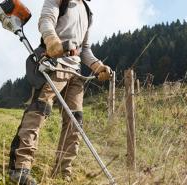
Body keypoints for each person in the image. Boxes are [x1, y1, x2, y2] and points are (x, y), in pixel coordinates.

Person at [9, 0, 111, 184]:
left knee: (75, 120)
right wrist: (51, 40)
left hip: (75, 70)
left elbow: (85, 49)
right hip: (54, 63)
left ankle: (63, 172)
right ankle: (20, 168)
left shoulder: (87, 11)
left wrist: (98, 66)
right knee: (39, 111)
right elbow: (46, 20)